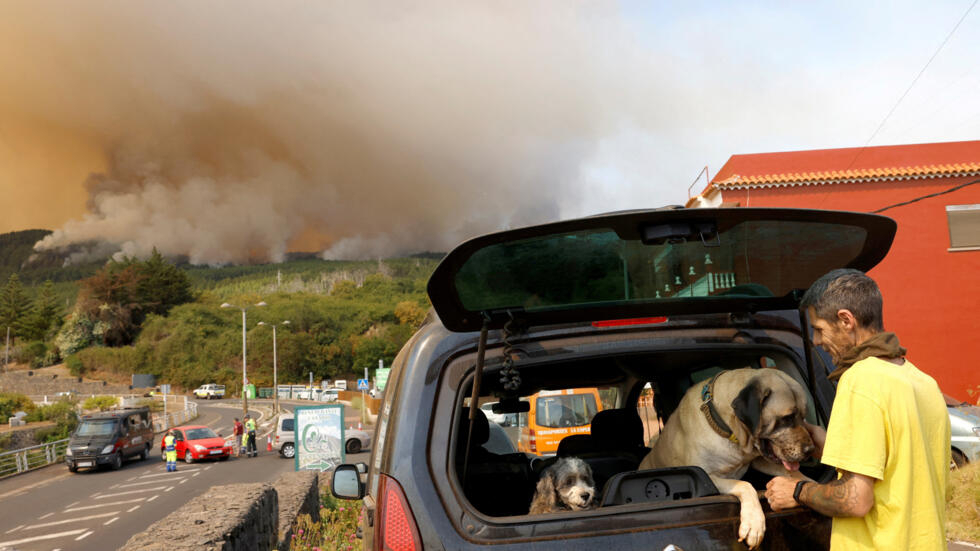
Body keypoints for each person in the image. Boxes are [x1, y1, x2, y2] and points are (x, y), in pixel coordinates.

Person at [765, 269, 949, 550]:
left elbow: (856, 500)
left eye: (818, 329)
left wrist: (798, 490)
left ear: (846, 320)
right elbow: (898, 463)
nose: (815, 341)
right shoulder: (922, 382)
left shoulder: (860, 380)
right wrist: (825, 443)